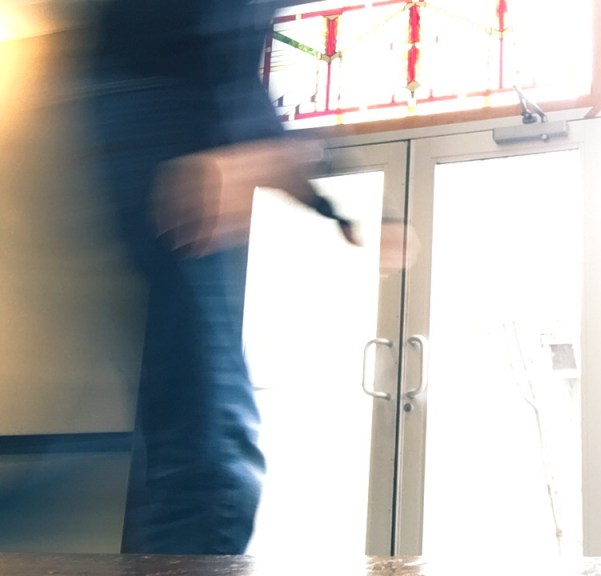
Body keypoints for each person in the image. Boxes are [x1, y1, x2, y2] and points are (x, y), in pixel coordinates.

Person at [85, 0, 404, 554]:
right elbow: (219, 42)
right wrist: (226, 140)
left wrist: (329, 203)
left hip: (142, 112)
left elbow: (236, 72)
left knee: (181, 435)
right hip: (163, 120)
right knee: (208, 459)